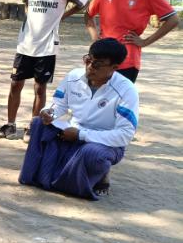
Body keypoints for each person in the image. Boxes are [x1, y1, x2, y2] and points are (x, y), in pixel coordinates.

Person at [19, 38, 138, 200]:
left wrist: (81, 135)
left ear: (114, 68)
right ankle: (37, 175)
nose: (90, 66)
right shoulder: (73, 76)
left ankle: (98, 176)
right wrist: (48, 112)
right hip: (71, 132)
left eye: (97, 64)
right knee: (38, 123)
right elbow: (58, 105)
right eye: (88, 60)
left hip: (103, 142)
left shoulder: (126, 90)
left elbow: (125, 135)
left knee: (93, 154)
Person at [0, 0, 88, 142]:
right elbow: (27, 2)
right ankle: (10, 125)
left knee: (40, 88)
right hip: (25, 44)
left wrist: (61, 16)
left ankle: (32, 127)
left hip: (47, 46)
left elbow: (84, 3)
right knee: (15, 84)